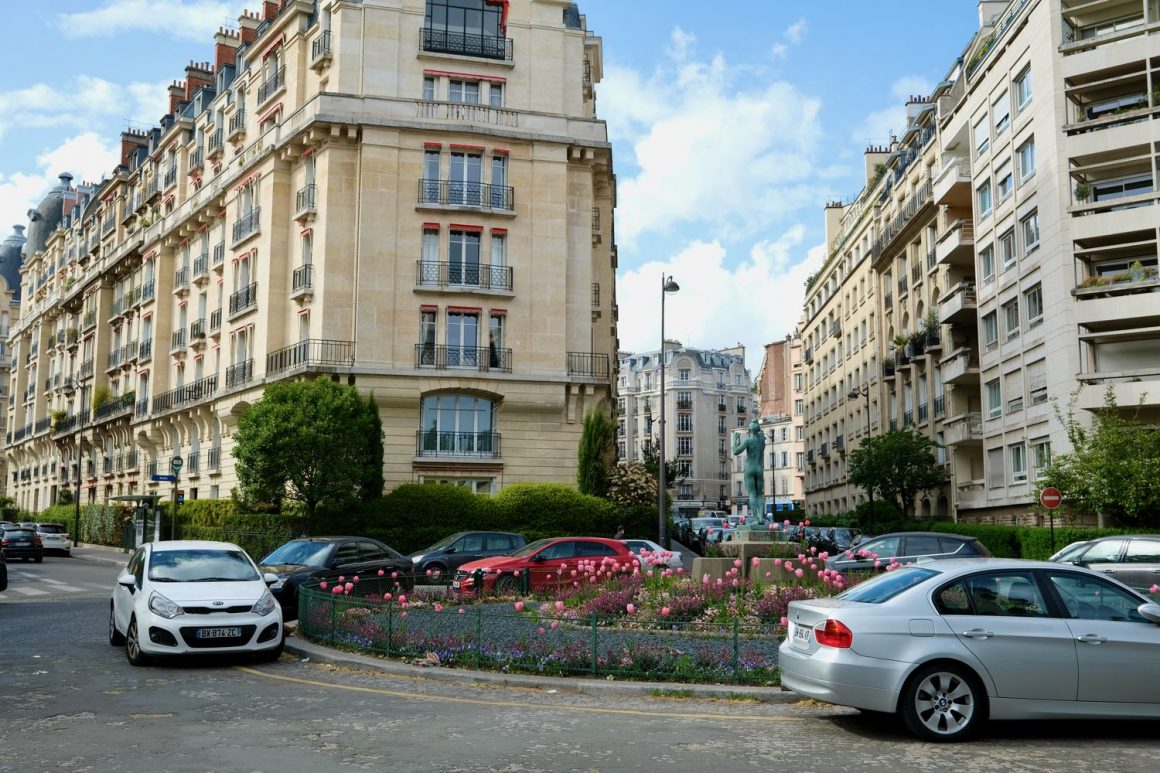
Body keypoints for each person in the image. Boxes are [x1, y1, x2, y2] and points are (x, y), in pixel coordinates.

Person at [731, 420, 766, 522]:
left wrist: (735, 439)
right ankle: (761, 518)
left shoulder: (748, 441)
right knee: (760, 494)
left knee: (752, 494)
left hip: (750, 468)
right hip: (759, 468)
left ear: (750, 430)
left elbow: (736, 451)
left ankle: (755, 518)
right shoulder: (761, 441)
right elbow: (762, 439)